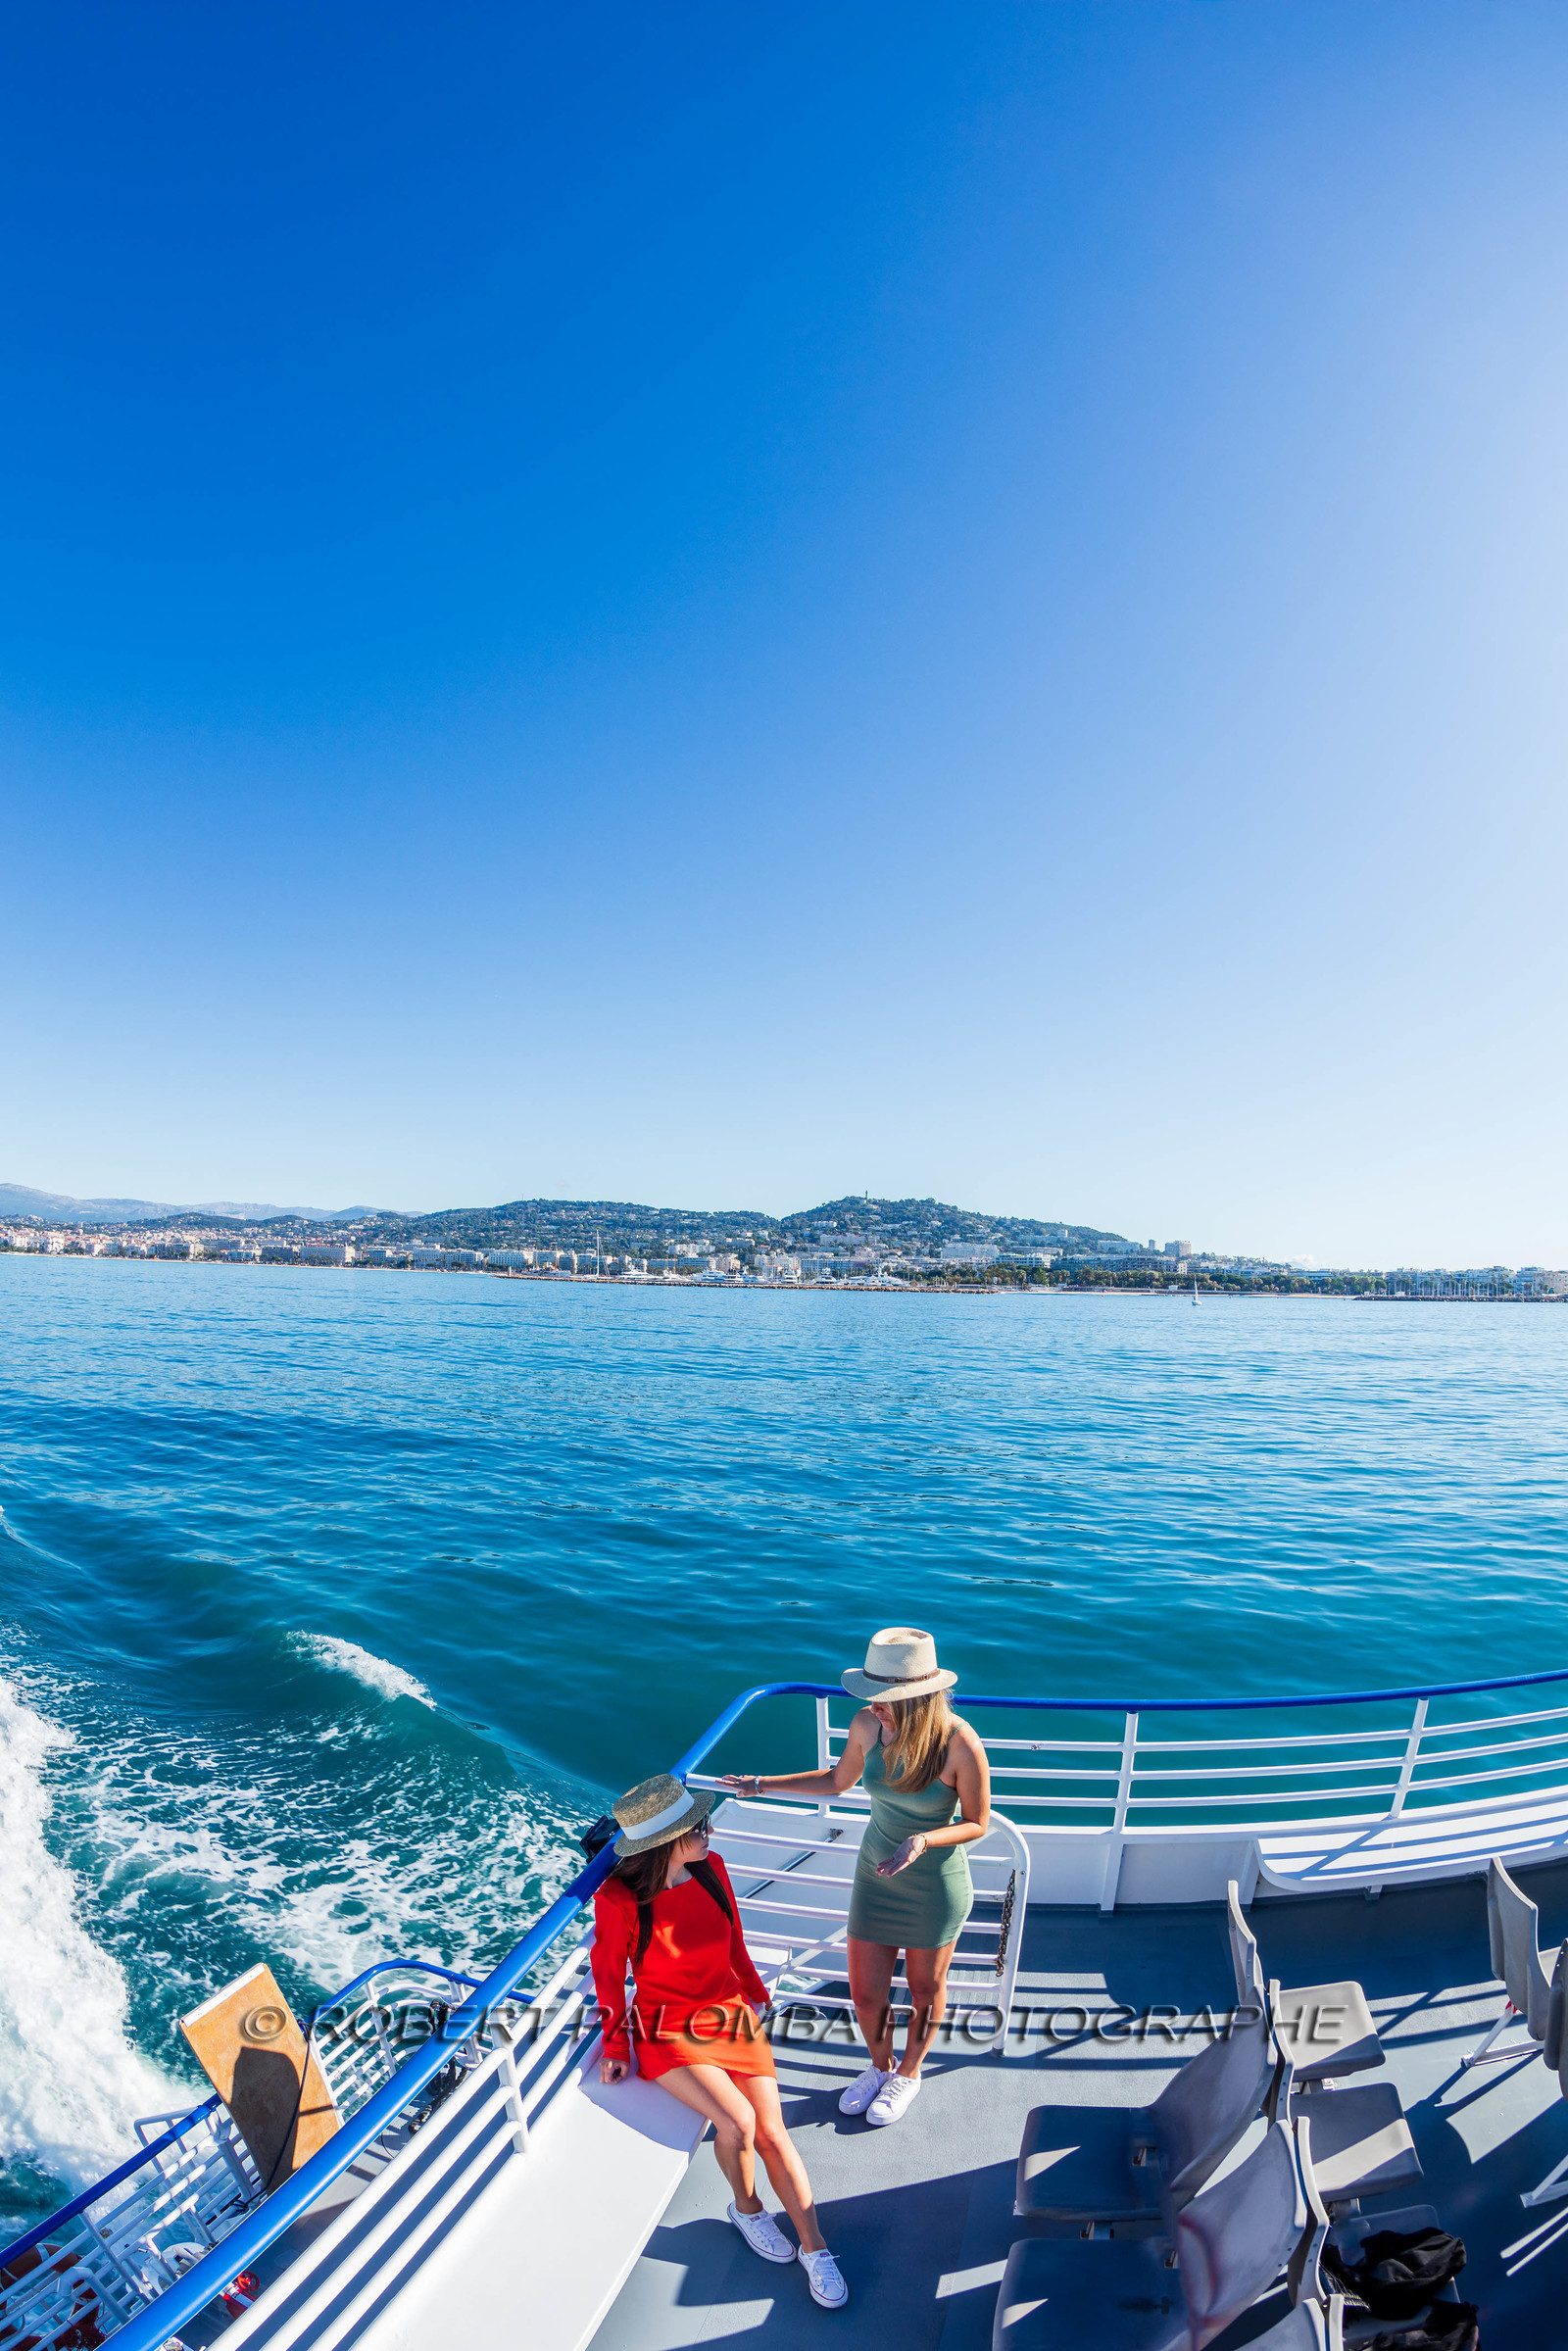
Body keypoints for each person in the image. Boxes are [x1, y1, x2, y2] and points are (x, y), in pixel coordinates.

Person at [591, 1771, 848, 2312]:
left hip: (728, 2013)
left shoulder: (712, 1869)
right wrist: (616, 2046)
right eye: (698, 1825)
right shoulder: (618, 1900)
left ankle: (815, 2247)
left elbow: (733, 1936)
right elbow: (609, 1977)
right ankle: (748, 2208)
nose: (709, 1830)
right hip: (668, 2028)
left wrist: (753, 1989)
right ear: (666, 1842)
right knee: (737, 2124)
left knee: (773, 2134)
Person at [721, 1626, 990, 2127]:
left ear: (918, 1698)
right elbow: (836, 1781)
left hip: (934, 1884)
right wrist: (760, 1784)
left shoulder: (960, 1743)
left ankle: (908, 2073)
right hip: (876, 1876)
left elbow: (978, 1822)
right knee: (866, 1993)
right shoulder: (868, 1724)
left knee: (924, 1988)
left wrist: (925, 1839)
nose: (875, 1707)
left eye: (885, 1699)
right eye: (873, 1697)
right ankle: (880, 2066)